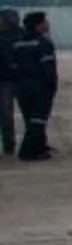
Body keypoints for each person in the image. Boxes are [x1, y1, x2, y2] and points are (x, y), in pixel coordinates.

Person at [12, 10, 55, 161]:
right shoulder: (43, 43)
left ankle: (39, 147)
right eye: (45, 22)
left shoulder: (18, 43)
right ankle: (27, 152)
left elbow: (14, 66)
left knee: (30, 119)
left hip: (22, 87)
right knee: (38, 120)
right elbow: (48, 67)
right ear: (38, 25)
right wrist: (52, 85)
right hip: (40, 87)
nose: (48, 24)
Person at [0, 9, 18, 157]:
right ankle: (8, 143)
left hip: (17, 79)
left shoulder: (22, 35)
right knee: (6, 113)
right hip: (5, 79)